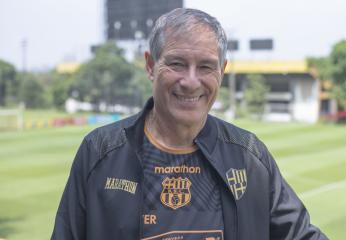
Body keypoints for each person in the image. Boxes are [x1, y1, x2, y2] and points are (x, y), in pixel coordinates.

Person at [52, 8, 328, 240]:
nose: (191, 81)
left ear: (222, 71)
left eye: (206, 67)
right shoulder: (99, 152)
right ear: (150, 65)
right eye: (177, 64)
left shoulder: (249, 155)